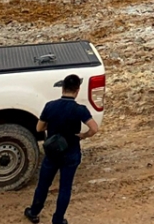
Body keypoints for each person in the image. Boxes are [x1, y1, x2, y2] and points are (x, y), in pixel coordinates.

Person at [24, 74, 100, 224]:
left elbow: (39, 127)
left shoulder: (50, 106)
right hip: (71, 152)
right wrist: (83, 135)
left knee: (43, 184)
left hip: (52, 152)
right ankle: (58, 219)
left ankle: (34, 212)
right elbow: (94, 128)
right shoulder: (80, 109)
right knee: (65, 187)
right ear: (77, 90)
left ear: (62, 87)